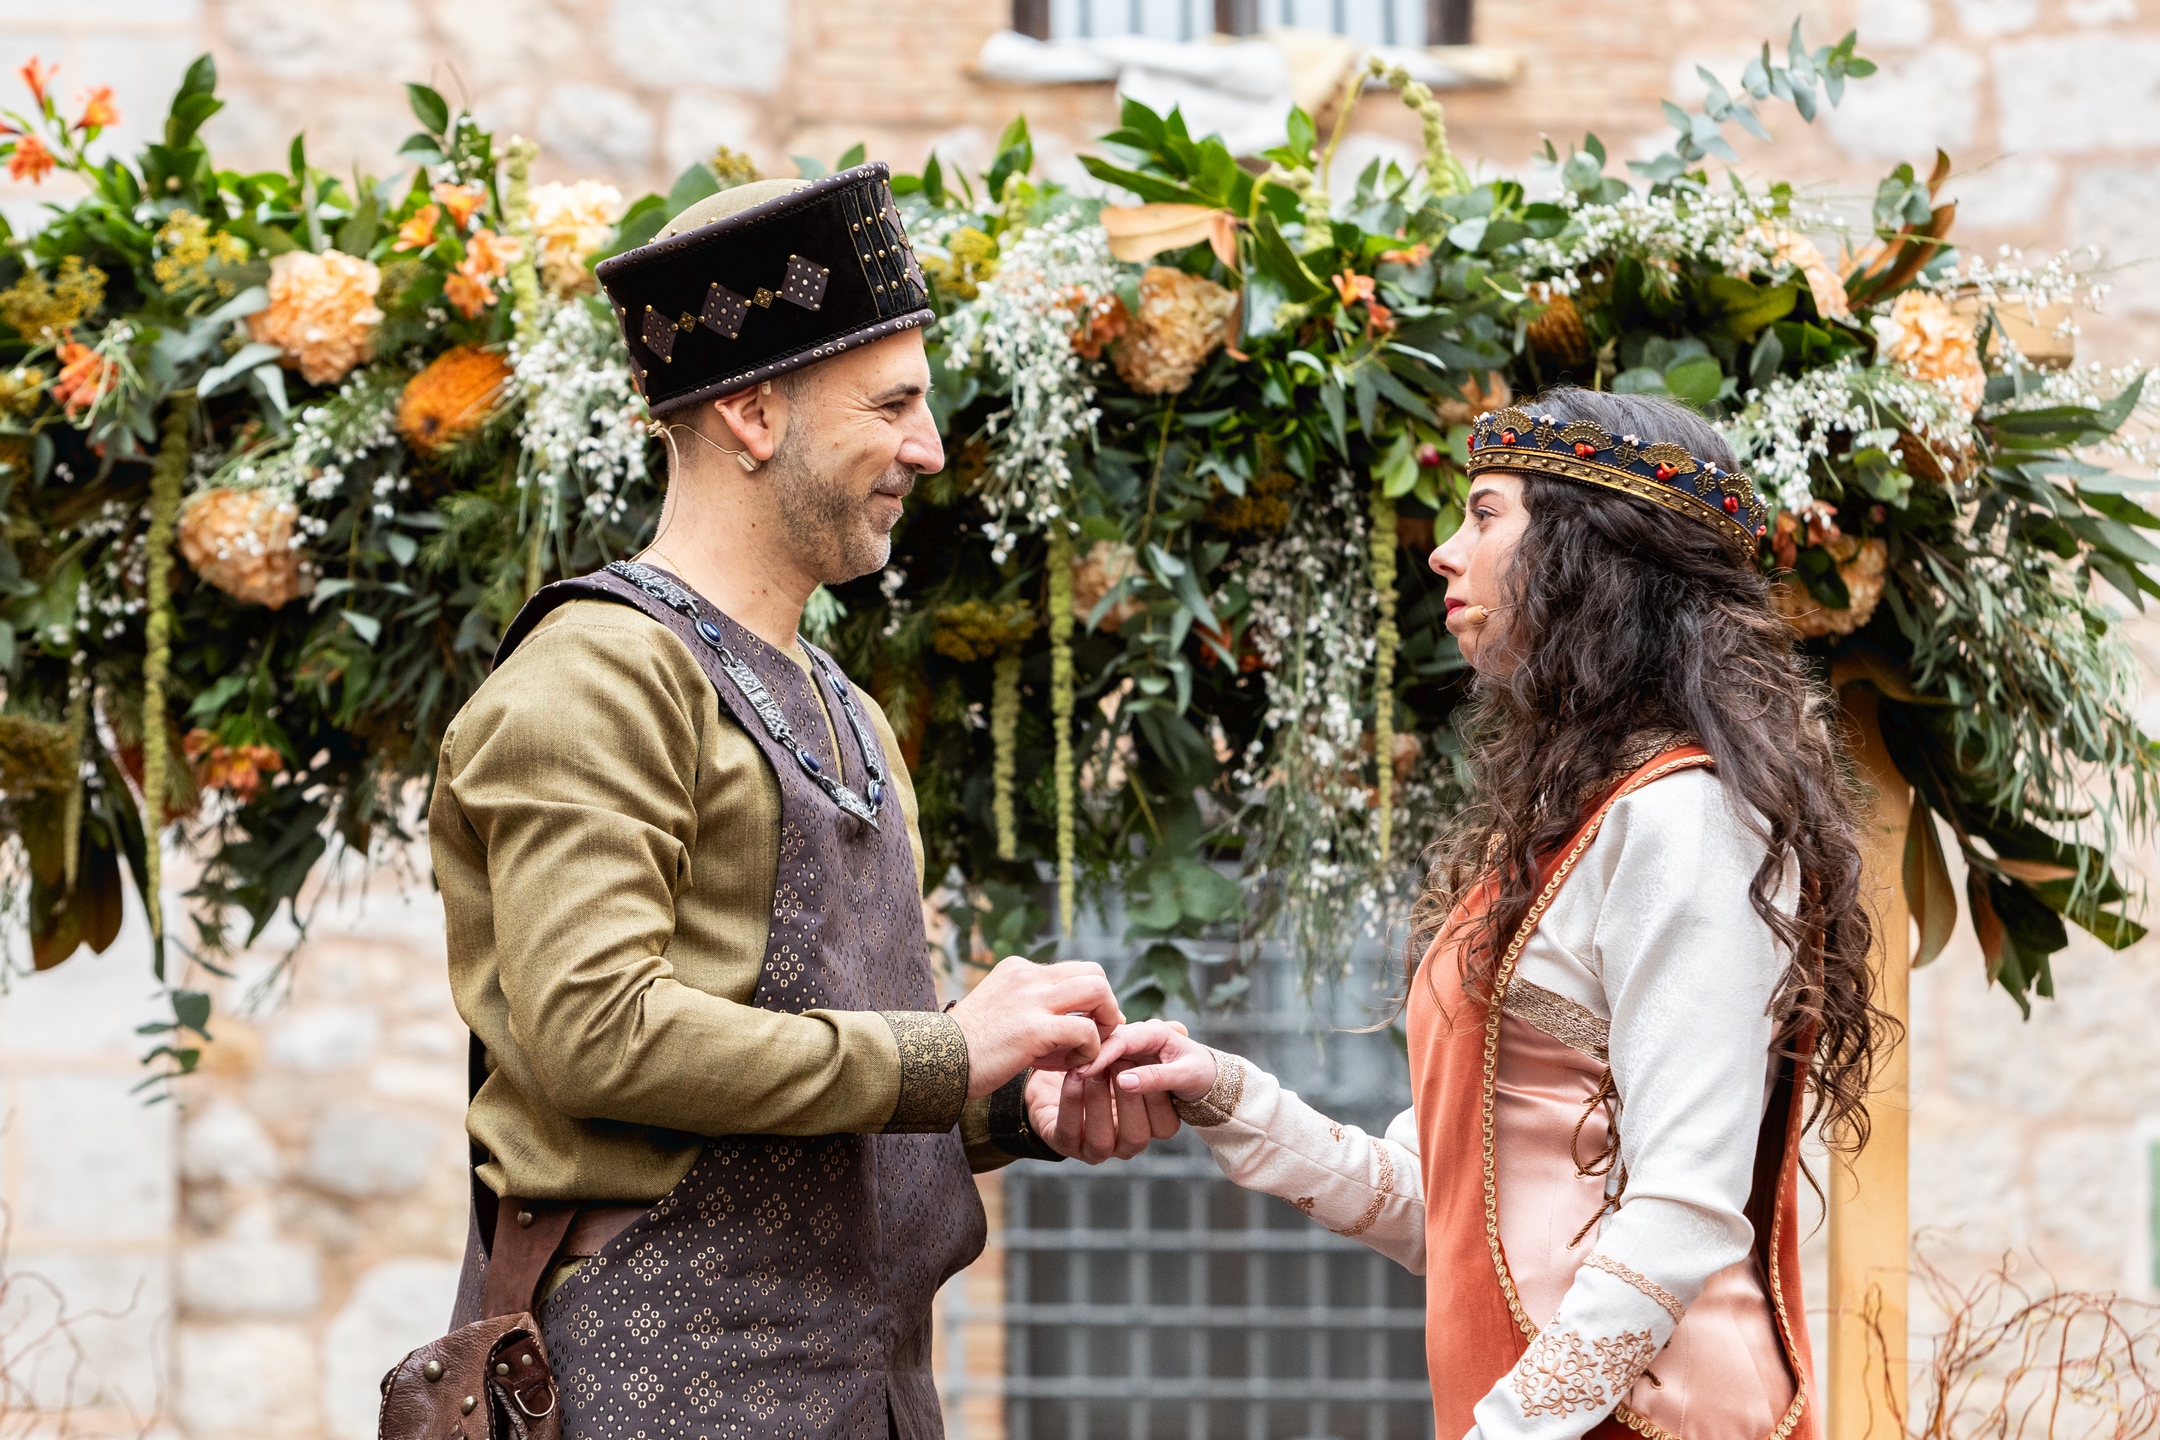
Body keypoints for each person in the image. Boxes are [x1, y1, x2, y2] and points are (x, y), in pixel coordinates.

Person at [428, 166, 1168, 1440]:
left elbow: (804, 1084)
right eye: (892, 404)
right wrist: (945, 1054)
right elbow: (596, 1035)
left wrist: (1005, 1103)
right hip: (659, 1392)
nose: (928, 448)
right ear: (753, 413)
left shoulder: (847, 710)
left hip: (871, 1392)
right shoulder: (594, 677)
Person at [1084, 388, 1887, 1440]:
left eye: (1484, 514)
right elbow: (1449, 1204)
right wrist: (1225, 1097)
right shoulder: (1577, 824)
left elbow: (1684, 1207)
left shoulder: (1685, 818)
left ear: (1586, 556)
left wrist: (1506, 1430)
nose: (1444, 552)